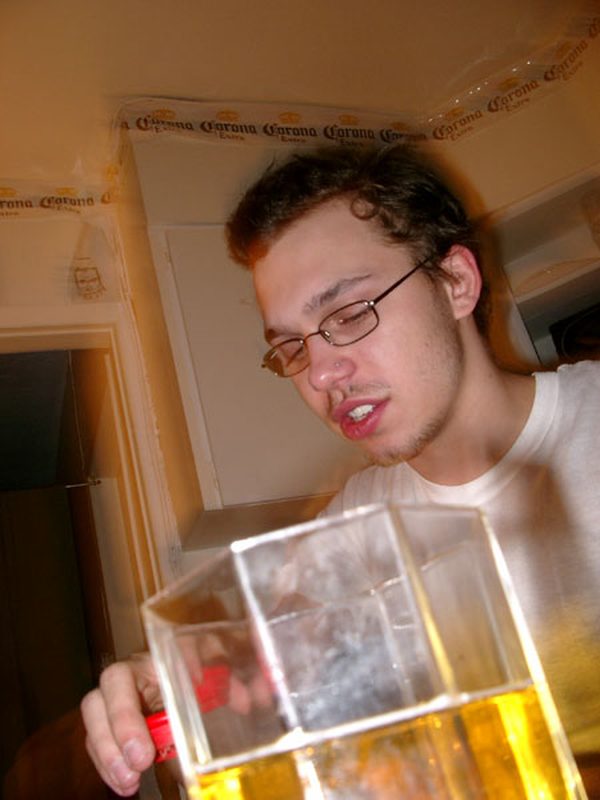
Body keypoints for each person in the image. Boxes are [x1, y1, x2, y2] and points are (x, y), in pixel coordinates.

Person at [81, 143, 600, 796]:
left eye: (350, 314)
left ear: (456, 282)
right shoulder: (350, 531)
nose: (321, 375)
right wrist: (159, 683)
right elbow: (247, 662)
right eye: (291, 348)